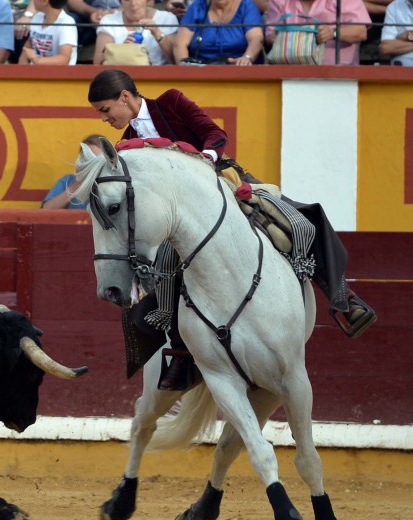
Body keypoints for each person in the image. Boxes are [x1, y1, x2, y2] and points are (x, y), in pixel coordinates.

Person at [85, 68, 376, 386]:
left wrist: (206, 157)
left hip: (222, 183)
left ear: (125, 97)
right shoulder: (126, 145)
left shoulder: (170, 102)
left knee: (301, 219)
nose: (104, 118)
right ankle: (185, 357)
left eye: (105, 110)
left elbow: (215, 134)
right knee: (166, 271)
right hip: (184, 218)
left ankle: (343, 298)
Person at [173, 0, 264, 64]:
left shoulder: (247, 6)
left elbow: (256, 39)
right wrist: (185, 67)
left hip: (239, 69)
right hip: (202, 71)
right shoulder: (197, 7)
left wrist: (247, 57)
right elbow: (179, 44)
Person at [93, 0, 179, 65]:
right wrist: (122, 51)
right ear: (120, 1)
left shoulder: (167, 19)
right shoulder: (109, 21)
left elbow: (175, 60)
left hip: (158, 76)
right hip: (122, 76)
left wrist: (158, 35)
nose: (133, 3)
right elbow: (98, 63)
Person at [19, 0, 78, 65]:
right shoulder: (37, 18)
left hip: (59, 77)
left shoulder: (66, 24)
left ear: (44, 0)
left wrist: (38, 60)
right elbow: (29, 45)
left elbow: (64, 58)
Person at [41, 134, 102, 209]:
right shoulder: (67, 181)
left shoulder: (111, 183)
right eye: (88, 157)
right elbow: (46, 210)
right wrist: (74, 187)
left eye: (97, 159)